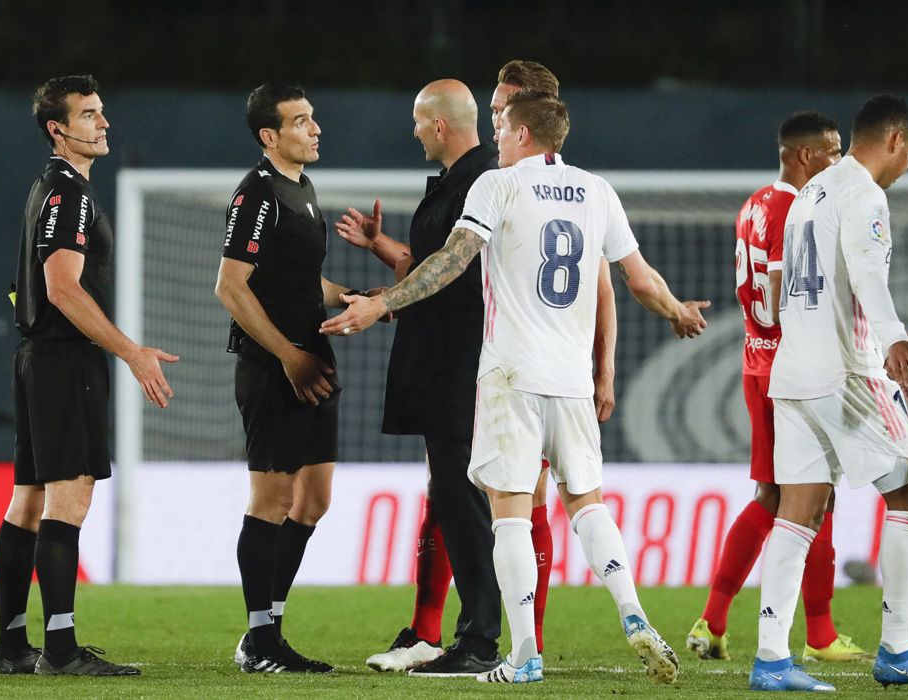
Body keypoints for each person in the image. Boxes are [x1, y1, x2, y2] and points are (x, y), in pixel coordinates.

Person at [322, 91, 708, 684]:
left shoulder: (497, 186)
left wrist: (385, 304)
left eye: (501, 126)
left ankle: (524, 654)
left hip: (511, 375)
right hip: (573, 379)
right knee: (586, 501)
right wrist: (677, 310)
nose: (494, 136)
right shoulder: (598, 190)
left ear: (524, 134)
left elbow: (452, 260)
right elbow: (637, 279)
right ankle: (633, 613)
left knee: (509, 514)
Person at [344, 62, 616, 677]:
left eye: (502, 110)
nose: (496, 120)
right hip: (474, 364)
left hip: (497, 369)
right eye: (491, 109)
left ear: (526, 118)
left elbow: (601, 281)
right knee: (466, 500)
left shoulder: (498, 184)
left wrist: (605, 366)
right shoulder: (465, 182)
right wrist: (386, 257)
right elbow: (436, 262)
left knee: (508, 506)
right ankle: (470, 633)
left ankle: (499, 637)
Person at [749, 94, 908, 691]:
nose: (907, 168)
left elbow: (792, 294)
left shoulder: (808, 195)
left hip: (794, 372)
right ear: (895, 140)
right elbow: (867, 272)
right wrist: (892, 340)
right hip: (846, 373)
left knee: (799, 514)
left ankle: (771, 659)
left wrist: (874, 329)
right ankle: (898, 648)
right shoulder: (864, 194)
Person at [0, 75, 177, 677]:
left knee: (29, 499)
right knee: (68, 498)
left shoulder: (50, 189)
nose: (103, 123)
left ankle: (14, 645)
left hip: (38, 357)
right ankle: (62, 650)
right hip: (65, 359)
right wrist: (130, 352)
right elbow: (63, 288)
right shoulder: (68, 194)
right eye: (89, 115)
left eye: (102, 113)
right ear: (58, 129)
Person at [687, 112, 871, 663]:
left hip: (755, 364)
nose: (840, 162)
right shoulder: (799, 209)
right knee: (797, 498)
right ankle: (809, 635)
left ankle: (726, 622)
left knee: (793, 496)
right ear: (805, 155)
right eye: (833, 152)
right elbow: (783, 292)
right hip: (791, 372)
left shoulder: (752, 205)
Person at [215, 83, 362, 675]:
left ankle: (270, 627)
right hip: (276, 366)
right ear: (269, 136)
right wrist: (287, 356)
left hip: (311, 361)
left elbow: (301, 281)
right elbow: (231, 286)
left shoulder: (301, 189)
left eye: (313, 118)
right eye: (301, 121)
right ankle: (258, 638)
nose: (315, 128)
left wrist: (351, 297)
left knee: (314, 498)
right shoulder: (256, 194)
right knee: (272, 499)